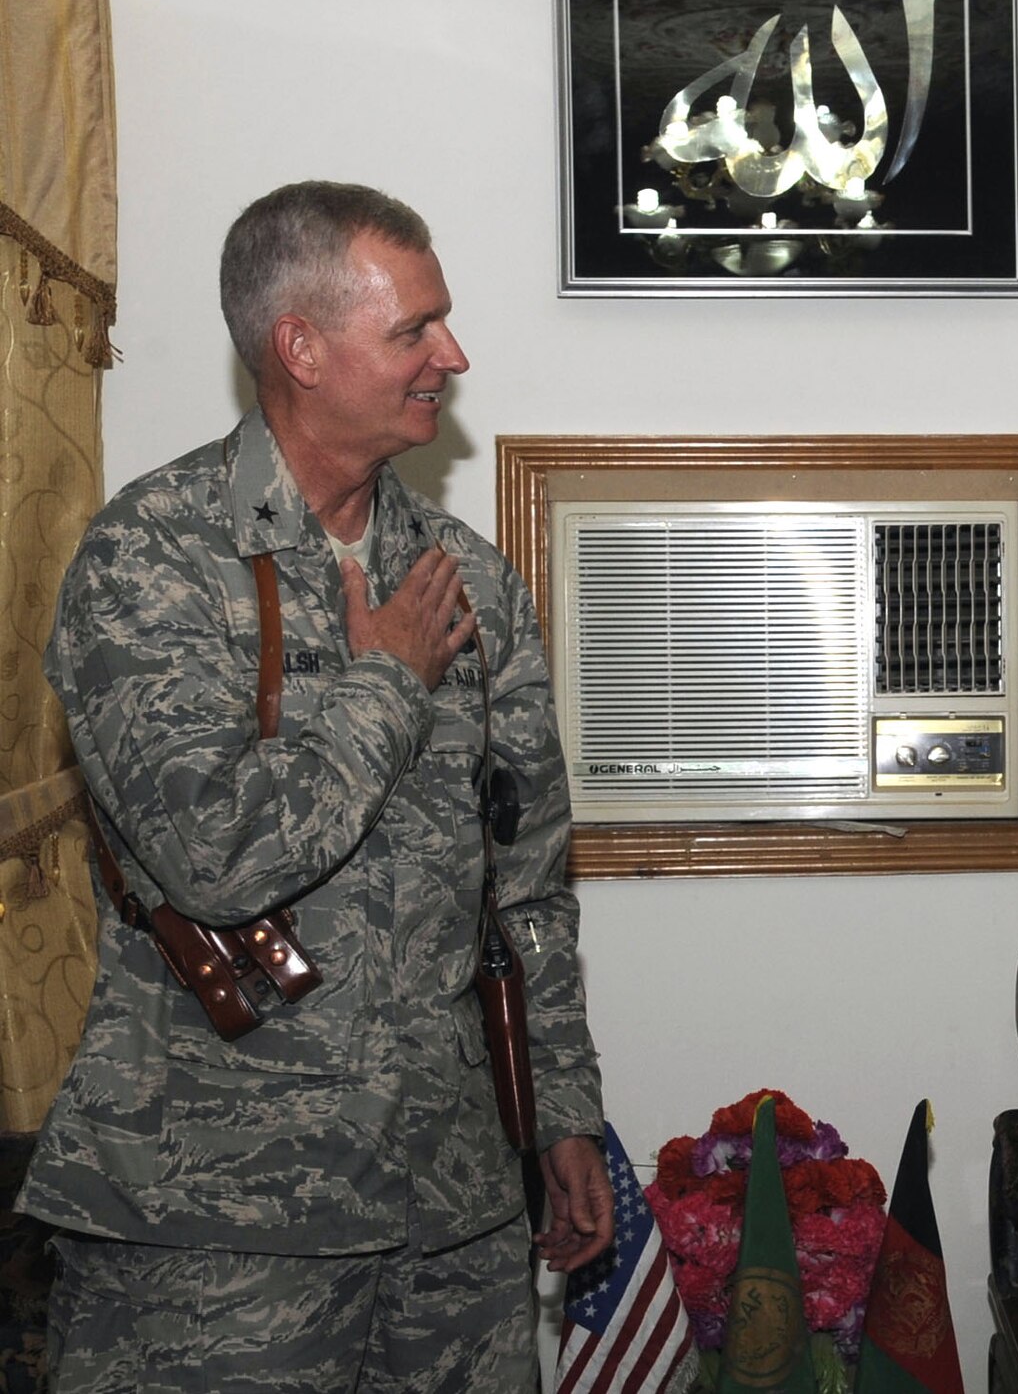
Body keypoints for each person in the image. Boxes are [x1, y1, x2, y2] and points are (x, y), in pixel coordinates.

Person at [25, 181, 611, 1391]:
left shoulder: (473, 585)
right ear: (299, 346)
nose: (452, 355)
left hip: (453, 1210)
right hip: (217, 1221)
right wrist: (386, 678)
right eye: (414, 329)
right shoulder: (156, 557)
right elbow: (217, 857)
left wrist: (558, 1110)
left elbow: (529, 884)